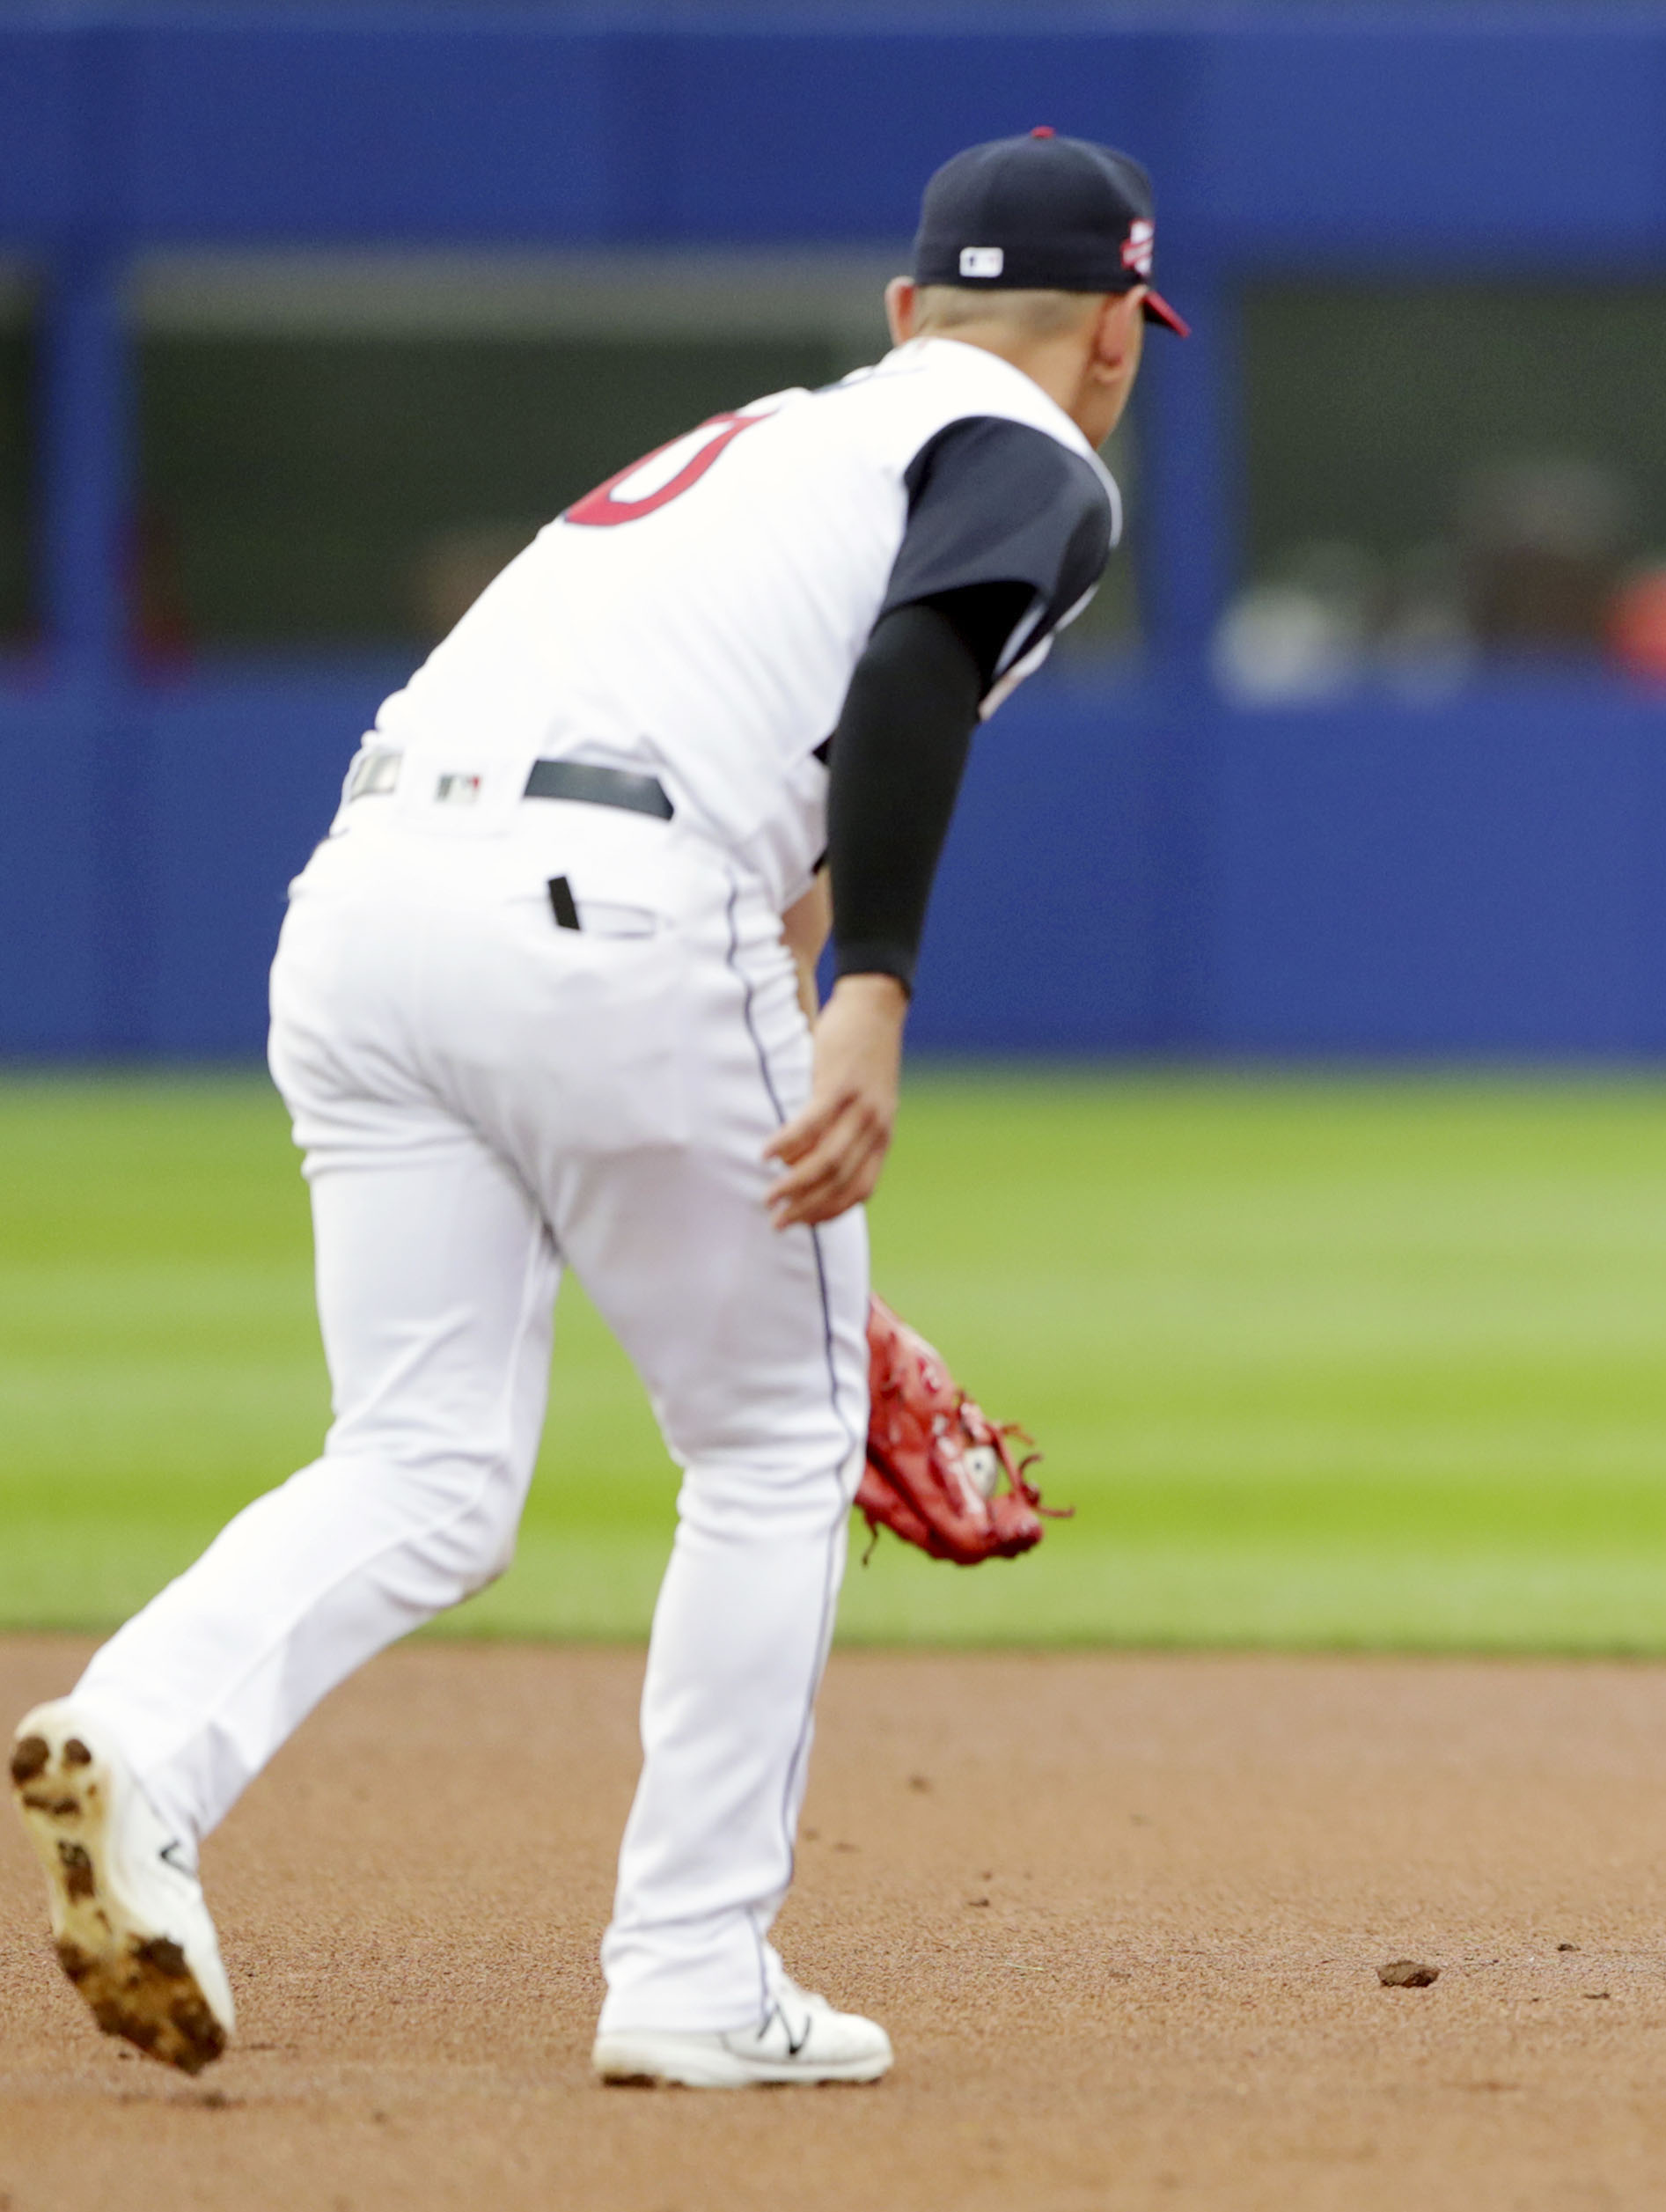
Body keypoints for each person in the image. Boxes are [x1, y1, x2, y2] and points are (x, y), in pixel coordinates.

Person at [11, 129, 1180, 2086]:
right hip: (613, 911)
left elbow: (789, 770)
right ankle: (692, 1979)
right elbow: (906, 682)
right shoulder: (1035, 455)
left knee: (423, 1465)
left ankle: (137, 1738)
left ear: (902, 311)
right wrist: (872, 996)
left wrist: (767, 1033)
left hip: (368, 901)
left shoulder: (778, 441)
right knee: (771, 1442)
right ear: (1119, 344)